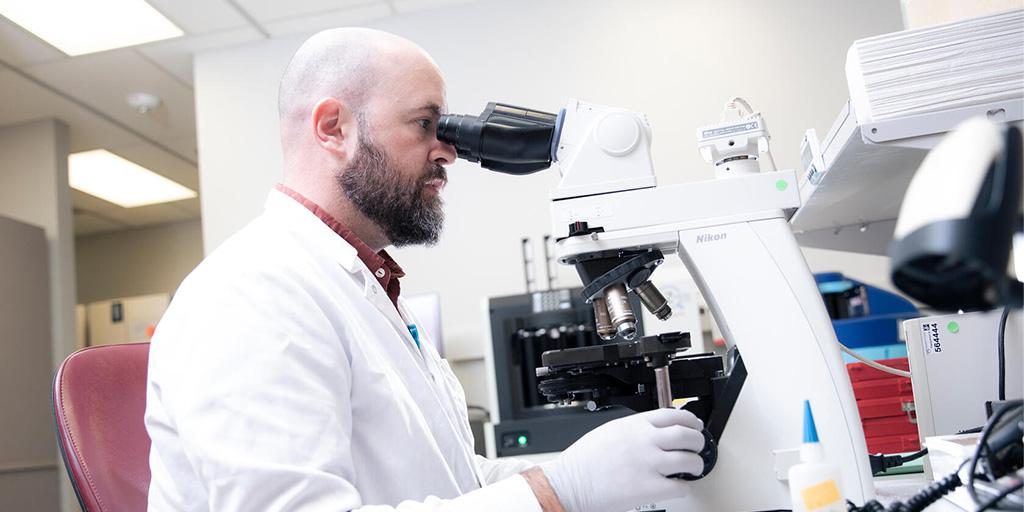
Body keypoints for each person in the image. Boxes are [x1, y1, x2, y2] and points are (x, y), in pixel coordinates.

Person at [144, 27, 706, 512]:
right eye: (423, 123)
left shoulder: (365, 285)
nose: (449, 151)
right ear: (333, 128)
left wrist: (585, 474)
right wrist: (559, 489)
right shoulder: (251, 294)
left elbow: (452, 481)